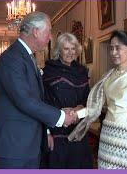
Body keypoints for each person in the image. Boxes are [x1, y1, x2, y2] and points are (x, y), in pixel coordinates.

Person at [0, 12, 77, 169]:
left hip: (26, 145)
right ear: (36, 31)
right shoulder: (12, 58)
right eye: (48, 32)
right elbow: (25, 100)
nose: (49, 38)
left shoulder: (27, 56)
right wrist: (61, 117)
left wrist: (48, 130)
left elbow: (36, 99)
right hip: (12, 147)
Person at [68, 30, 127, 169]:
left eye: (118, 48)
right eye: (111, 48)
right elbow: (95, 107)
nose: (113, 52)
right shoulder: (107, 76)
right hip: (107, 135)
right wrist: (76, 114)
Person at [42, 33, 93, 169]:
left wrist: (78, 111)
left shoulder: (82, 71)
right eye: (66, 49)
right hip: (57, 133)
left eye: (73, 49)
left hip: (78, 133)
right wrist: (46, 134)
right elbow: (42, 104)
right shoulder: (49, 71)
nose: (70, 53)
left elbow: (89, 102)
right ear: (59, 50)